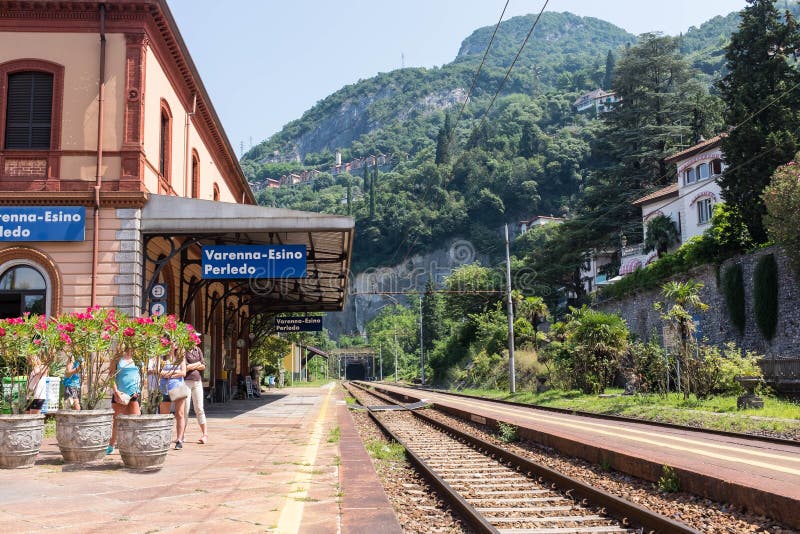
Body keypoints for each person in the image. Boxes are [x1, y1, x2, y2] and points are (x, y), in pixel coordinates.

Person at [108, 347, 141, 454]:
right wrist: (116, 391)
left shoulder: (138, 357)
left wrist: (138, 390)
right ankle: (110, 445)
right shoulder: (117, 358)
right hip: (120, 393)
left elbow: (139, 375)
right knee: (115, 422)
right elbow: (111, 376)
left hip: (134, 393)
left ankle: (134, 445)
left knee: (136, 421)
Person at [154, 347, 187, 450]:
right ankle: (165, 439)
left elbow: (183, 372)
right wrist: (168, 374)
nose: (172, 345)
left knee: (180, 414)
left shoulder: (180, 357)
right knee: (164, 416)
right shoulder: (161, 357)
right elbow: (158, 371)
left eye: (174, 342)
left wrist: (169, 375)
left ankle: (179, 439)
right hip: (164, 388)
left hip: (178, 387)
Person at [180, 344, 207, 444]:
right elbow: (185, 368)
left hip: (197, 381)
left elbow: (203, 365)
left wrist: (193, 365)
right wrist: (197, 364)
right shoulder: (183, 350)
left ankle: (205, 434)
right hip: (186, 382)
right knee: (185, 409)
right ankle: (181, 434)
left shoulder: (198, 349)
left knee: (199, 408)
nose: (196, 340)